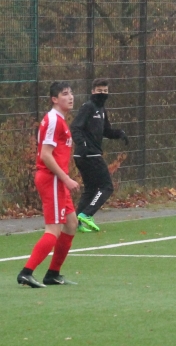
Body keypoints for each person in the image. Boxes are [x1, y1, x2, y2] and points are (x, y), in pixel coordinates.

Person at [17, 81, 80, 288]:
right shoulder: (53, 119)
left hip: (56, 179)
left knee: (71, 224)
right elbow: (45, 155)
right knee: (53, 229)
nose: (70, 97)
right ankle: (26, 272)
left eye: (71, 93)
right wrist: (66, 178)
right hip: (51, 178)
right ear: (54, 99)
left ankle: (53, 274)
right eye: (65, 94)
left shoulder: (60, 120)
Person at [71, 78, 128, 232]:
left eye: (105, 91)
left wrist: (119, 134)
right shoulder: (88, 107)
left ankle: (77, 221)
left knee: (90, 188)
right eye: (99, 91)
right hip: (89, 155)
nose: (102, 93)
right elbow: (75, 127)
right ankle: (87, 214)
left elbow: (106, 131)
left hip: (88, 155)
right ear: (92, 91)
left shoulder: (102, 110)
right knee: (107, 186)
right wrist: (83, 145)